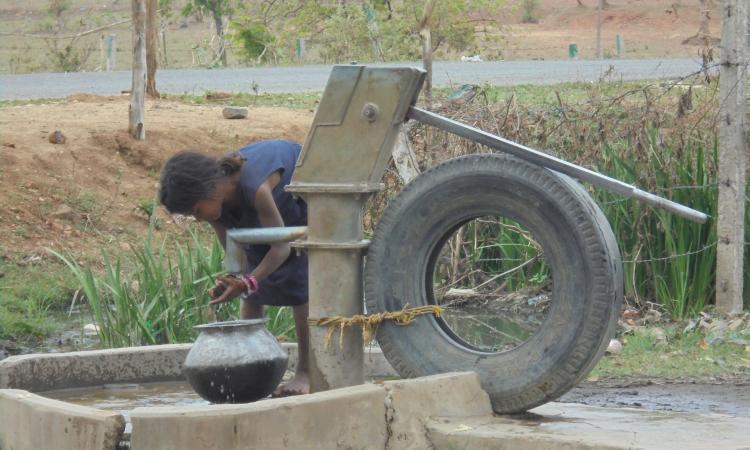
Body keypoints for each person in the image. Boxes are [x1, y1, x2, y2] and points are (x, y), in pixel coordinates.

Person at [159, 139, 309, 397]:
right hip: (264, 218)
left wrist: (247, 281)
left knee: (301, 282)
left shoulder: (257, 190)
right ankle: (250, 367)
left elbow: (281, 248)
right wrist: (234, 280)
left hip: (297, 203)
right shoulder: (215, 207)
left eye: (196, 211)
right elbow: (236, 253)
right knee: (252, 287)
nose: (198, 218)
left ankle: (306, 372)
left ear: (209, 189)